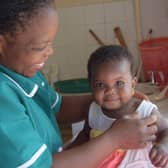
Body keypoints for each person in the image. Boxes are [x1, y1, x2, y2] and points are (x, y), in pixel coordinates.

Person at [0, 1, 158, 168]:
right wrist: (115, 139)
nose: (50, 52)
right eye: (40, 47)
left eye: (50, 43)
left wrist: (111, 99)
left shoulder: (23, 71)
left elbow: (56, 107)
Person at [69, 45, 168, 167]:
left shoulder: (145, 111)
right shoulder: (93, 111)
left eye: (119, 83)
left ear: (133, 84)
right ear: (91, 85)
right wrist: (68, 151)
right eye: (100, 84)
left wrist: (163, 147)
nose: (110, 91)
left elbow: (166, 130)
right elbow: (84, 136)